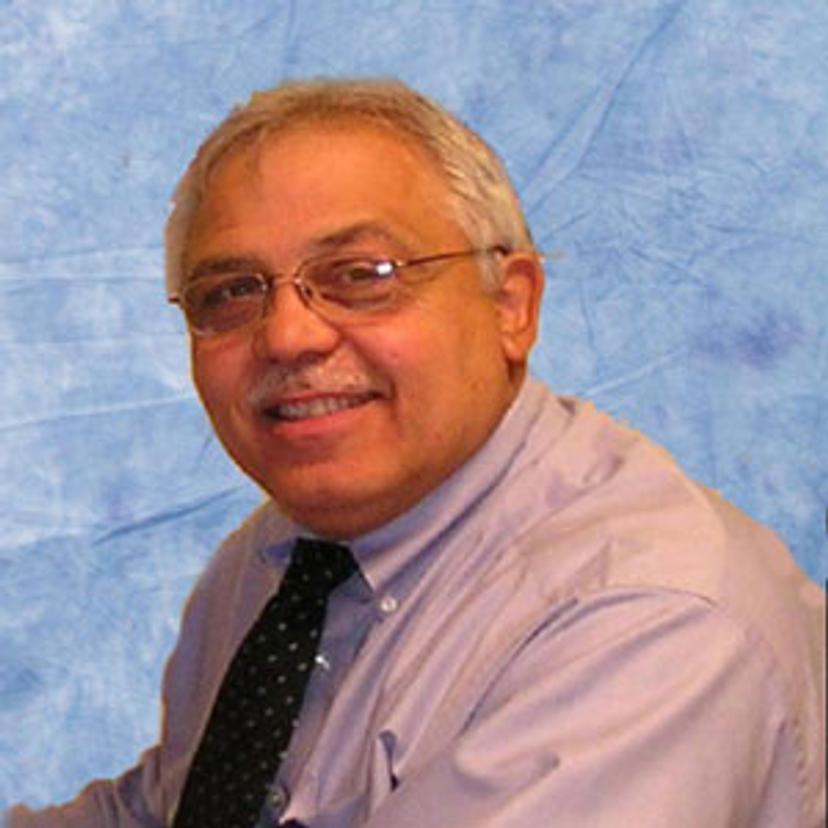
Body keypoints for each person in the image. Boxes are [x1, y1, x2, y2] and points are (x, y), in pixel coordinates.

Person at [8, 78, 824, 827]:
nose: (288, 335)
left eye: (362, 274)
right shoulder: (277, 563)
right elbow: (168, 813)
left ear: (511, 306)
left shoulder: (646, 627)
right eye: (231, 292)